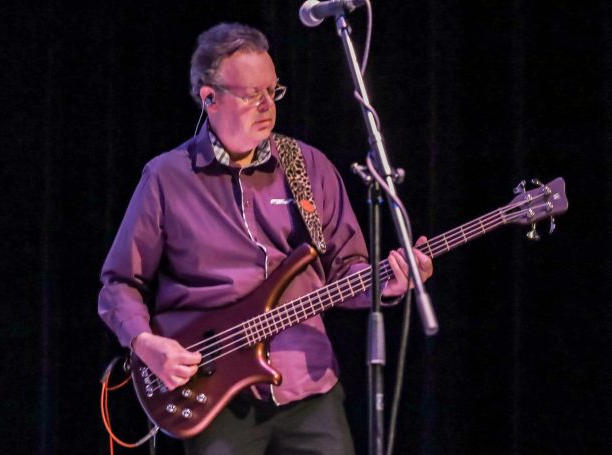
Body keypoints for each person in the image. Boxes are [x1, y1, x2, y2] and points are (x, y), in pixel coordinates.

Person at [98, 22, 433, 455]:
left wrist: (387, 282)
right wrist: (146, 345)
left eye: (272, 91)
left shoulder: (308, 166)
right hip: (215, 394)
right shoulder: (167, 177)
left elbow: (346, 270)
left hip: (308, 385)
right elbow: (120, 283)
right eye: (251, 94)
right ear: (210, 97)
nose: (266, 105)